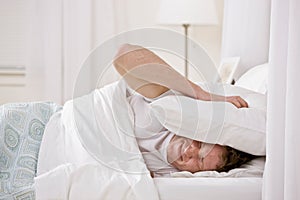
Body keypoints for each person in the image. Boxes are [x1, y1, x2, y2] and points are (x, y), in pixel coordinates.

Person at [113, 44, 254, 176]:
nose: (190, 151)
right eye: (199, 143)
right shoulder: (168, 110)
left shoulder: (170, 174)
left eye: (200, 161)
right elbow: (123, 55)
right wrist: (200, 94)